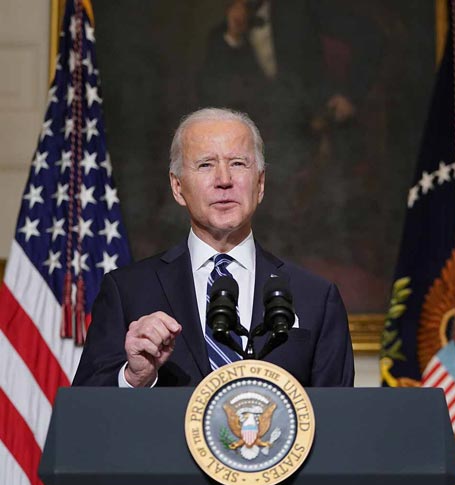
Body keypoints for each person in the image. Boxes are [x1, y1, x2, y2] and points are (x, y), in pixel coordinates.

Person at [72, 107, 354, 388]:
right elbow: (85, 412)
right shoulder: (127, 291)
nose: (224, 180)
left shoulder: (316, 297)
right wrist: (133, 378)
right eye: (206, 164)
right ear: (178, 187)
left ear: (261, 183)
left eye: (238, 163)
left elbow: (341, 418)